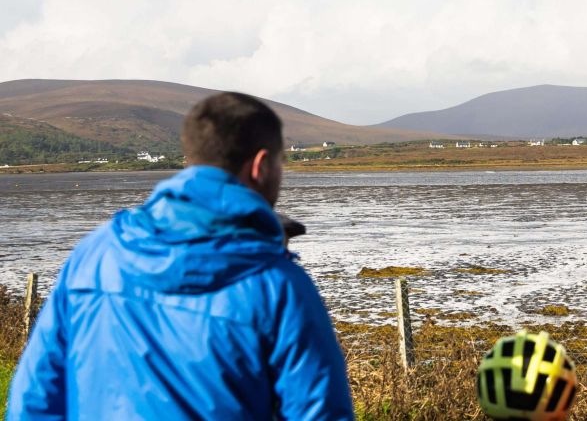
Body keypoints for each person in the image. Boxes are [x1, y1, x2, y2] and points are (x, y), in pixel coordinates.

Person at [7, 92, 354, 420]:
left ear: (191, 159)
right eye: (281, 163)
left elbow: (35, 396)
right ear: (261, 165)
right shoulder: (278, 286)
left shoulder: (95, 255)